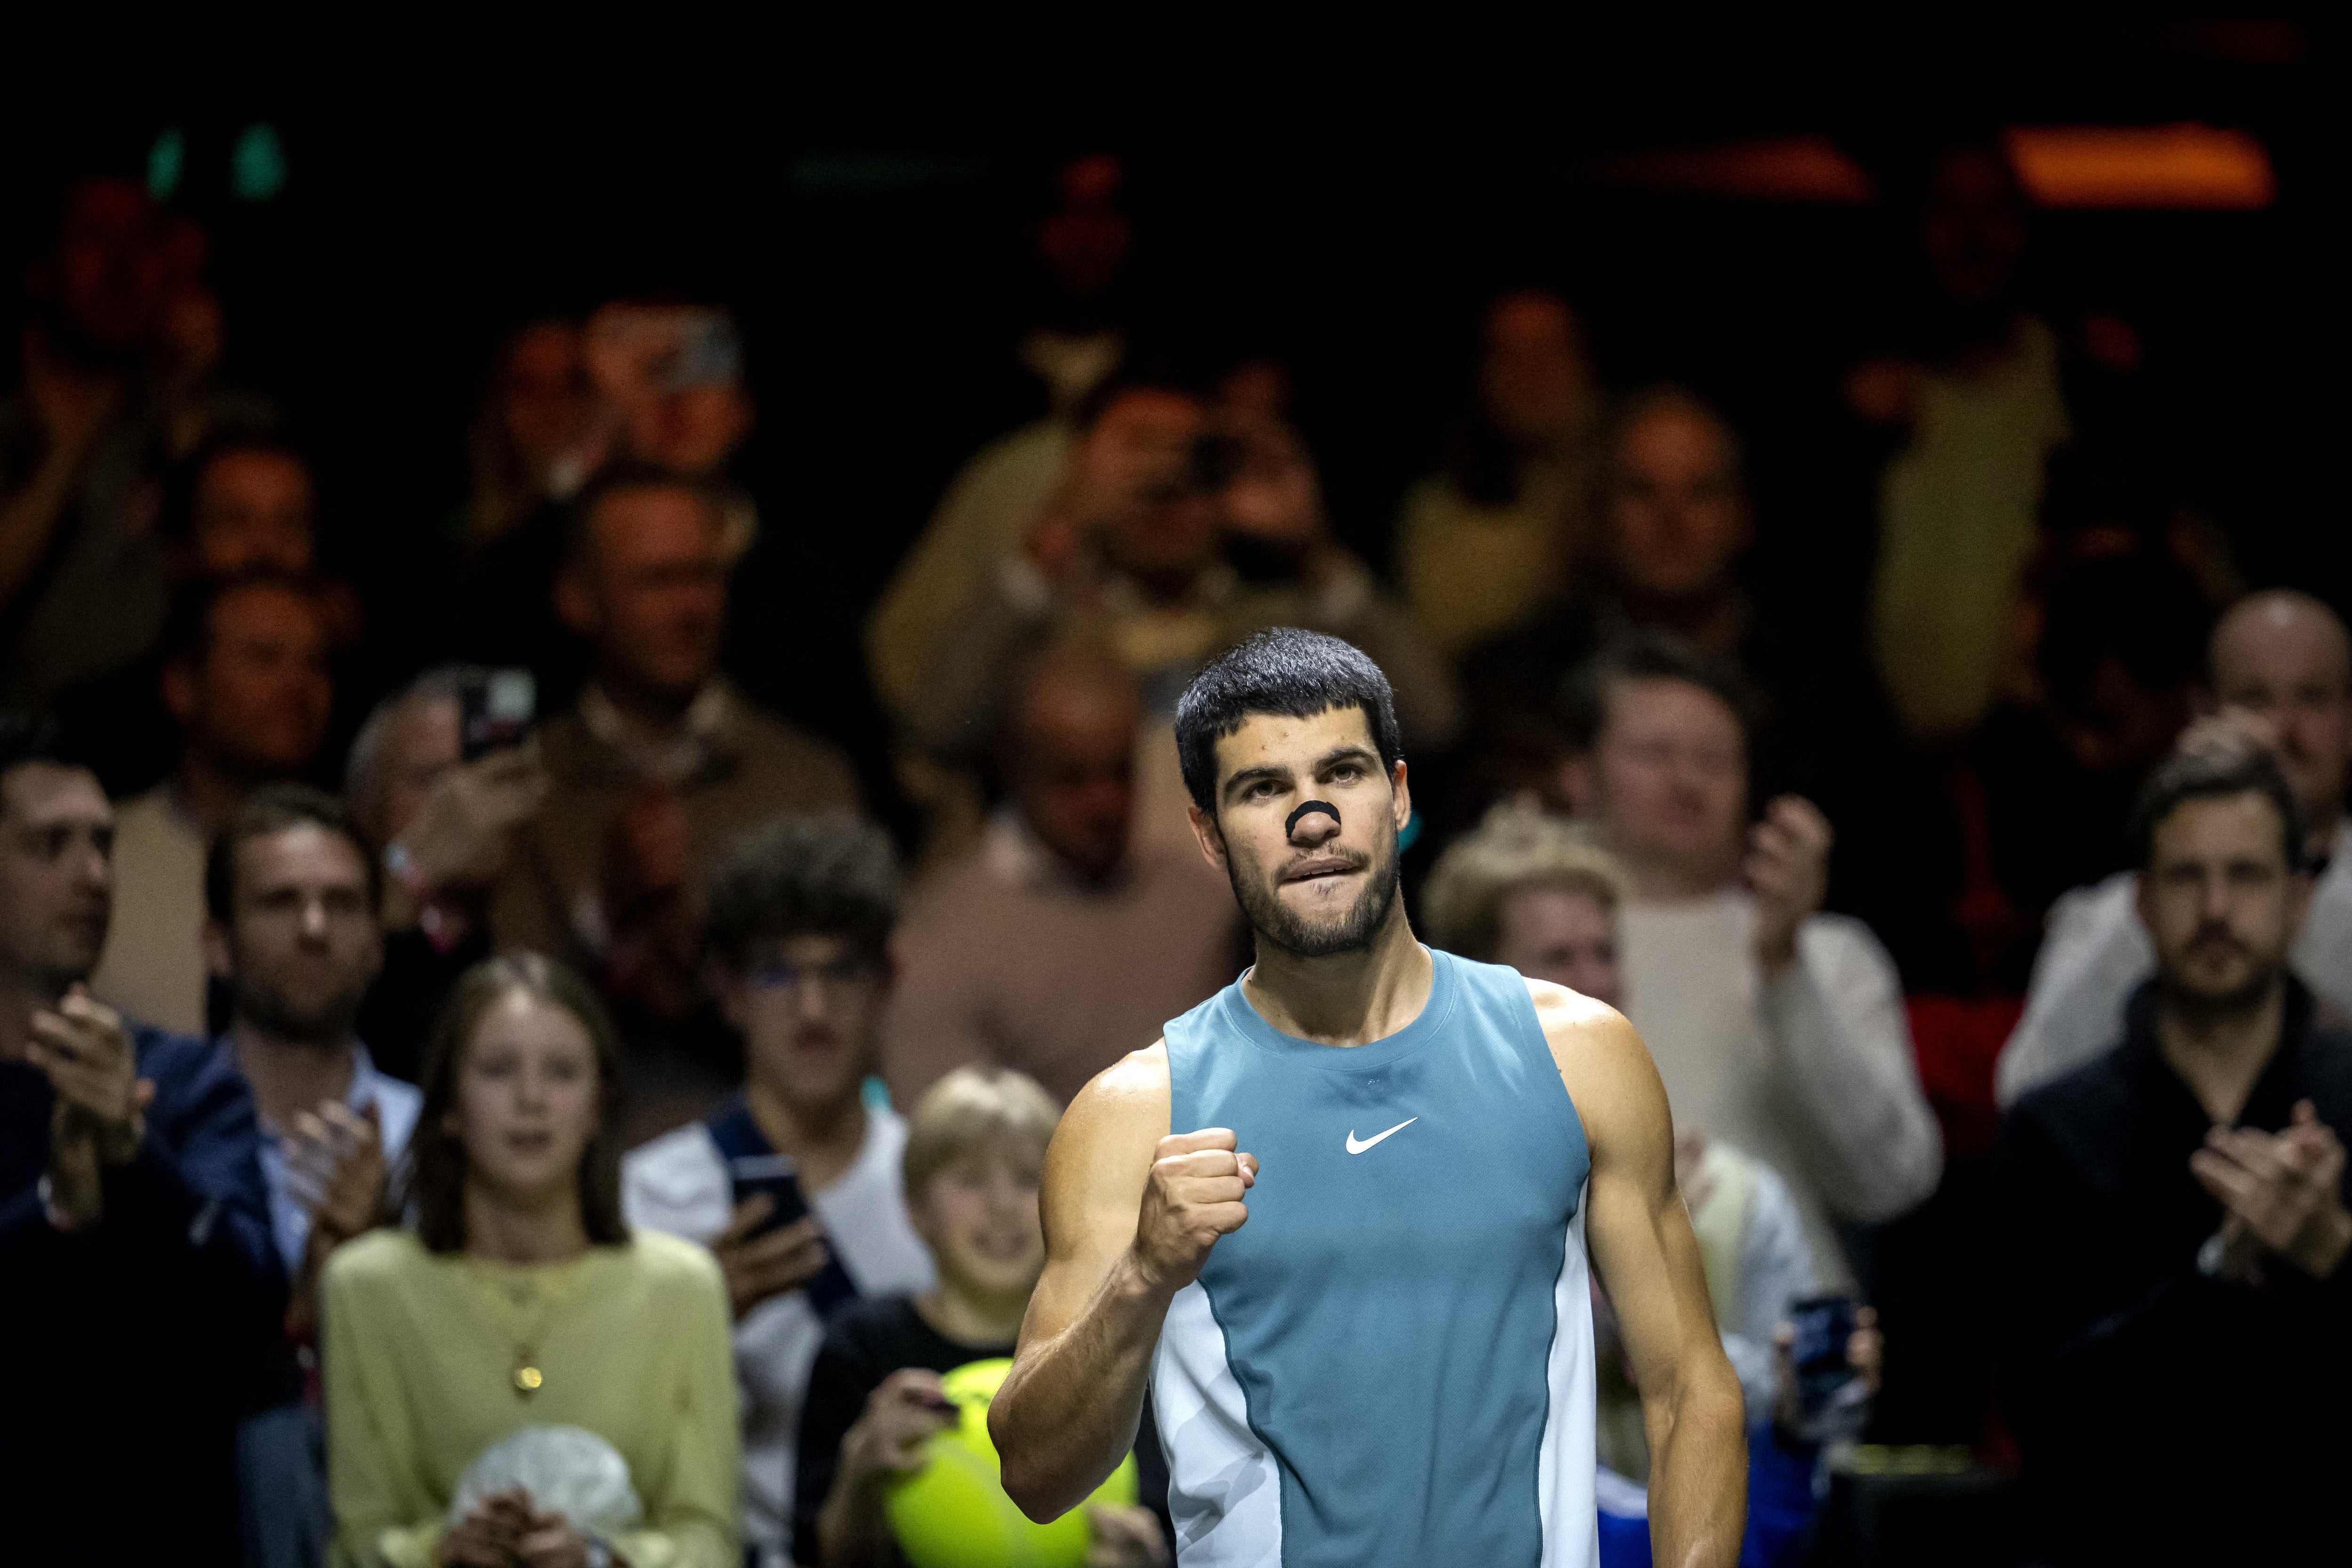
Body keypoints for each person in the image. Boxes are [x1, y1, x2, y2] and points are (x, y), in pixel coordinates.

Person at [989, 629, 1746, 1565]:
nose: (1311, 815)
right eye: (1262, 789)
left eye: (1340, 772)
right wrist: (1143, 1272)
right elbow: (1033, 1474)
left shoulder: (1579, 1056)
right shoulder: (1135, 1113)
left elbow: (1691, 1394)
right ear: (1205, 832)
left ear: (1396, 794)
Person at [1422, 804, 1877, 1564]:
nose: (1594, 980)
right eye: (1558, 955)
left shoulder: (1730, 1197)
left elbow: (1815, 1430)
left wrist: (1794, 1390)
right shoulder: (1408, 1198)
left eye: (1605, 950)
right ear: (1472, 985)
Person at [1995, 740, 2352, 1562]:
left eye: (2249, 875)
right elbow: (2045, 1415)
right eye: (2187, 877)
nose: (2218, 906)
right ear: (2143, 903)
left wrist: (2334, 1255)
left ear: (2299, 899)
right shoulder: (2053, 1127)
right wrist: (2217, 1272)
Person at [323, 953, 739, 1568]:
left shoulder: (682, 1286)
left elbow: (711, 1540)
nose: (531, 1099)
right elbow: (358, 1536)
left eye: (564, 1072)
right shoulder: (368, 1286)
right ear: (448, 1107)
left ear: (599, 1105)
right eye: (497, 1070)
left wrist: (604, 1560)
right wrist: (442, 1552)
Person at [1558, 634, 1941, 1281]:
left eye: (1716, 759)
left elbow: (1891, 1182)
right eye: (1655, 754)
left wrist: (1784, 966)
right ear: (1578, 777)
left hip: (1790, 1347)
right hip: (1578, 1353)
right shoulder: (1524, 950)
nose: (1688, 781)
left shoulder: (1828, 952)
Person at [0, 711, 280, 1565]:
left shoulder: (188, 1081)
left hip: (166, 1533)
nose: (93, 876)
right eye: (51, 846)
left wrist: (134, 1155)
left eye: (104, 845)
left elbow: (252, 1300)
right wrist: (56, 1208)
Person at [623, 812, 936, 1568]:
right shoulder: (655, 1194)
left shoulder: (935, 1181)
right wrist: (697, 1316)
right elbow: (603, 1429)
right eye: (778, 973)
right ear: (728, 991)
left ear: (887, 981)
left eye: (841, 970)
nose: (813, 1008)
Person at [897, 374, 1460, 788]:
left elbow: (1432, 723)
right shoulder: (1042, 631)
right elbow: (937, 730)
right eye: (1137, 458)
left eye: (1192, 466)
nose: (1166, 493)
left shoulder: (1284, 625)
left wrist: (1315, 552)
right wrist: (1053, 546)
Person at [487, 467, 861, 1036]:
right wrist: (607, 919)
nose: (690, 607)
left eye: (704, 576)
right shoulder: (525, 787)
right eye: (657, 580)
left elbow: (847, 999)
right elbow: (500, 1007)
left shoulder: (805, 782)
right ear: (578, 598)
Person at [797, 1066, 1168, 1568]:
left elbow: (1158, 1529)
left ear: (1065, 1200)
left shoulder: (1114, 1345)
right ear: (915, 1209)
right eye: (970, 1181)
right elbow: (823, 1555)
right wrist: (861, 1472)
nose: (1000, 1208)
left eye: (1026, 1180)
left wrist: (1144, 1557)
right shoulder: (860, 1346)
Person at [1999, 589, 2352, 1104]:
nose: (2282, 729)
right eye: (2254, 699)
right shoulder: (2105, 919)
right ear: (2204, 712)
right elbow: (2028, 1094)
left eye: (2313, 698)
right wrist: (2179, 835)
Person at [207, 783, 423, 1568]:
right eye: (279, 901)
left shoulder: (437, 1139)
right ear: (215, 943)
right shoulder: (161, 1138)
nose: (313, 927)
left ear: (376, 940)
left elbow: (513, 1358)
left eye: (342, 902)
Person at [885, 639, 1240, 1108]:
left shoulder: (1208, 906)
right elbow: (951, 1155)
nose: (1104, 803)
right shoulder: (943, 941)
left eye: (1118, 772)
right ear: (1013, 768)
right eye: (1072, 778)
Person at [91, 571, 335, 1035]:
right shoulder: (98, 856)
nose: (297, 684)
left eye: (317, 663)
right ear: (182, 685)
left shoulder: (353, 866)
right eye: (265, 658)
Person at [344, 667, 549, 1082]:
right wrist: (409, 872)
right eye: (429, 780)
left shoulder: (544, 901)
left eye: (478, 774)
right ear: (368, 806)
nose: (462, 801)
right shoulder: (334, 922)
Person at [1392, 289, 1606, 661]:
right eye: (1509, 356)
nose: (1531, 373)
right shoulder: (1439, 512)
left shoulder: (1636, 483)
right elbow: (1448, 648)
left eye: (1550, 350)